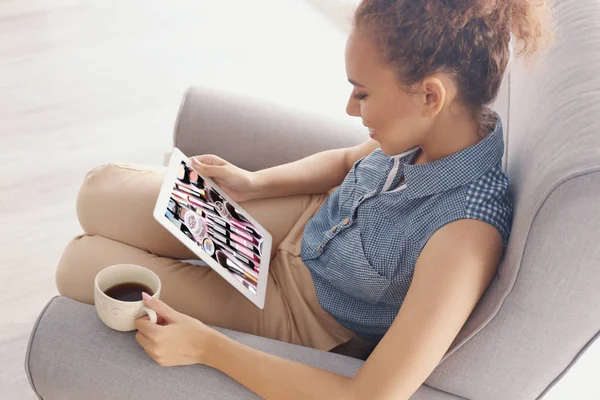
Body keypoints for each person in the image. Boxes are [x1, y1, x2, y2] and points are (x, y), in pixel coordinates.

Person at [56, 0, 553, 398]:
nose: (349, 108)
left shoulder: (464, 235)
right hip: (296, 224)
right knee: (97, 192)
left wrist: (208, 348)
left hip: (299, 310)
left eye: (362, 94)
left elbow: (372, 396)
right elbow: (343, 164)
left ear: (429, 96)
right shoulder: (431, 132)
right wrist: (254, 183)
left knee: (80, 264)